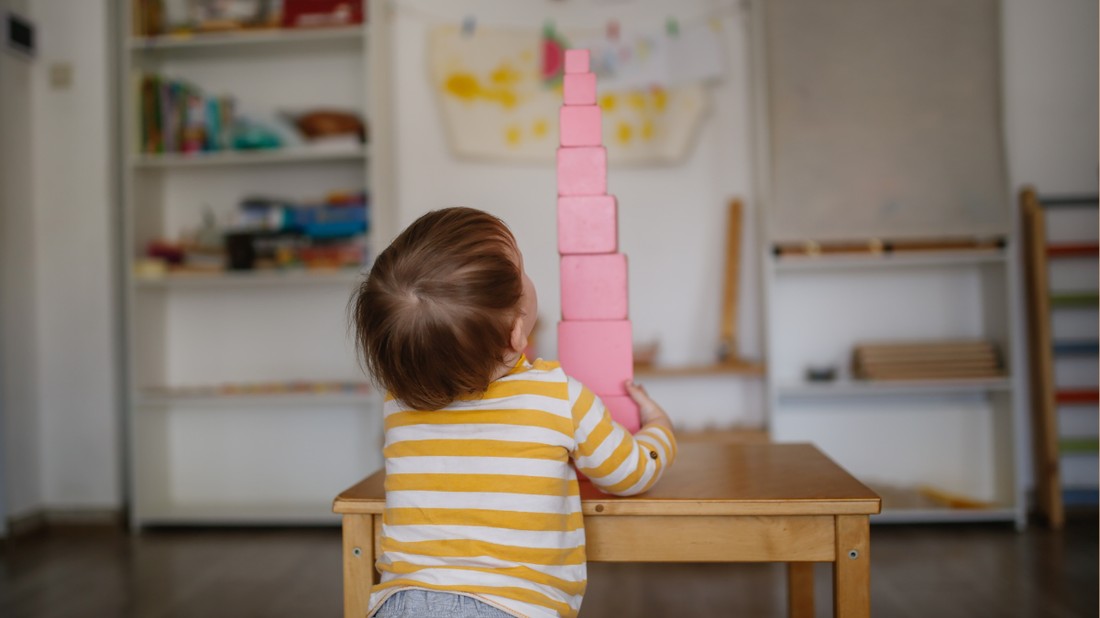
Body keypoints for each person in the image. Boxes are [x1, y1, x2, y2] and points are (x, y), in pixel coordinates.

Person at [351, 207, 676, 618]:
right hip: (514, 608)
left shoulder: (397, 404)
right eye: (519, 268)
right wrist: (659, 428)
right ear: (517, 333)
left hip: (401, 603)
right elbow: (630, 473)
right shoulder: (559, 397)